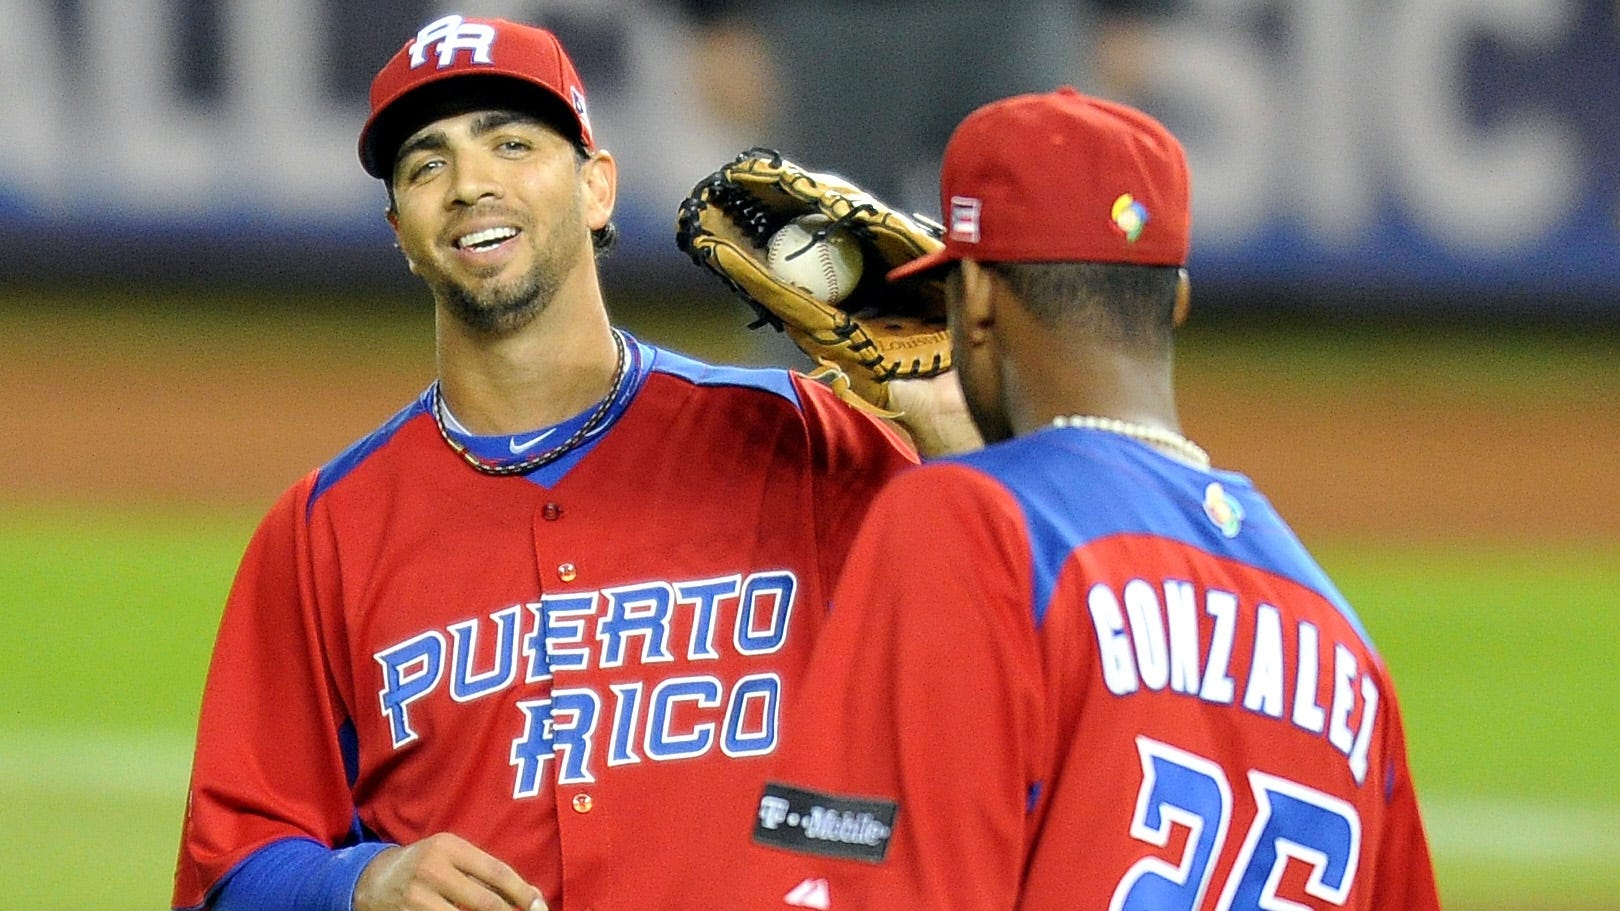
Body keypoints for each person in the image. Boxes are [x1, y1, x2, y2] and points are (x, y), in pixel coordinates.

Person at [169, 13, 972, 911]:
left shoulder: (795, 438)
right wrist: (356, 880)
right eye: (426, 164)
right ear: (401, 230)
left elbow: (1019, 653)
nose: (471, 183)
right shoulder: (326, 530)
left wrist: (948, 426)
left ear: (597, 189)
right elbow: (227, 870)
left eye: (512, 143)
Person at [738, 88, 1442, 911]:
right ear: (1174, 301)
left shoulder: (960, 523)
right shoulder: (1340, 642)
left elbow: (859, 891)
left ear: (981, 301)